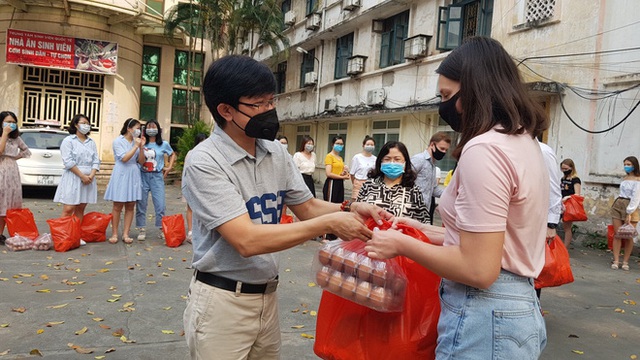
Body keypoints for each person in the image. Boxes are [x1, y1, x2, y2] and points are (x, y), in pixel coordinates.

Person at [181, 55, 388, 359]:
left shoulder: (275, 153)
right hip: (222, 302)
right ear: (226, 110)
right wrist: (328, 225)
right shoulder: (205, 161)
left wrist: (350, 208)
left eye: (271, 101)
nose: (269, 111)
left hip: (267, 298)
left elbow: (307, 206)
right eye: (258, 104)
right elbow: (246, 240)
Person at [365, 37, 549, 358]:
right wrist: (414, 227)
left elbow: (478, 268)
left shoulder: (485, 149)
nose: (444, 106)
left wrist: (402, 244)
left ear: (477, 90)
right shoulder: (524, 141)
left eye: (448, 96)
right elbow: (482, 240)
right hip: (515, 307)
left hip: (484, 313)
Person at [356, 141, 429, 223]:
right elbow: (356, 212)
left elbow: (424, 221)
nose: (392, 163)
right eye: (387, 159)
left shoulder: (413, 190)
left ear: (405, 162)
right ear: (380, 162)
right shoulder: (369, 185)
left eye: (397, 159)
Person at [53, 114, 100, 223]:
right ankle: (64, 236)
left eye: (88, 124)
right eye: (83, 123)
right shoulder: (68, 141)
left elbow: (96, 160)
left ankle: (76, 235)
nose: (86, 126)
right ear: (75, 124)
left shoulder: (91, 142)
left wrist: (91, 176)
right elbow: (68, 161)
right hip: (73, 177)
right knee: (69, 208)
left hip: (88, 179)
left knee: (80, 208)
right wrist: (82, 176)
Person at [135, 119, 177, 241]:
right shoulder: (141, 143)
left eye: (154, 127)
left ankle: (161, 228)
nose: (151, 129)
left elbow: (172, 154)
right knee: (141, 203)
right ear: (145, 129)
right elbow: (140, 161)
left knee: (160, 204)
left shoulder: (163, 144)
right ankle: (141, 228)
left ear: (158, 129)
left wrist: (169, 167)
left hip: (157, 176)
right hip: (143, 175)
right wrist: (142, 147)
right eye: (149, 127)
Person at [104, 118, 143, 244]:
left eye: (139, 128)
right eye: (136, 128)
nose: (138, 131)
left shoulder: (137, 142)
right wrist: (136, 146)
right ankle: (115, 233)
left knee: (131, 205)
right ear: (129, 128)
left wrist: (141, 147)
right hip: (121, 172)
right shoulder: (118, 141)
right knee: (117, 205)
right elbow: (125, 158)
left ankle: (126, 233)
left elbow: (141, 161)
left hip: (133, 172)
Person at [0, 111, 31, 244]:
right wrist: (5, 134)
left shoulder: (17, 139)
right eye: (8, 121)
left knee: (8, 204)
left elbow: (26, 151)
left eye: (13, 122)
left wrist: (14, 157)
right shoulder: (3, 136)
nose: (11, 124)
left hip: (12, 170)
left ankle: (1, 233)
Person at [410, 131, 451, 219]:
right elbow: (404, 180)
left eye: (446, 150)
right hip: (411, 211)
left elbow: (434, 190)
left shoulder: (432, 165)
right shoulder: (419, 159)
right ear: (432, 144)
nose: (444, 152)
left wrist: (452, 194)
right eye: (442, 148)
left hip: (424, 212)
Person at [610, 156, 640, 271]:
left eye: (628, 164)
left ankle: (625, 261)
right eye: (625, 164)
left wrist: (630, 212)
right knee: (617, 234)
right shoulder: (624, 178)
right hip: (619, 203)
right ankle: (616, 260)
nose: (626, 166)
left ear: (634, 165)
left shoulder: (638, 179)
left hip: (631, 206)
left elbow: (636, 197)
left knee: (628, 235)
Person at [323, 135, 350, 240]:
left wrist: (344, 173)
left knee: (339, 208)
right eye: (338, 144)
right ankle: (325, 235)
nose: (340, 146)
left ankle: (334, 233)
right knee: (329, 208)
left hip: (339, 183)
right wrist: (342, 177)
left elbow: (339, 172)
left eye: (341, 144)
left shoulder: (340, 158)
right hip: (332, 183)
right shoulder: (329, 156)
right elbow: (329, 173)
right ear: (332, 144)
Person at [185, 133, 208, 243]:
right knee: (190, 207)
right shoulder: (191, 154)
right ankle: (190, 231)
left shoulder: (209, 155)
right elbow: (186, 172)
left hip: (204, 187)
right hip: (190, 185)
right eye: (200, 141)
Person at [560, 158, 581, 248]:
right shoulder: (563, 179)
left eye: (566, 169)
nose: (564, 171)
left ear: (571, 168)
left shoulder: (575, 179)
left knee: (567, 227)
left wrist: (567, 197)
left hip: (569, 204)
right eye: (562, 169)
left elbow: (577, 194)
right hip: (561, 203)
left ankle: (565, 247)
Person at [349, 135, 376, 201]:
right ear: (363, 145)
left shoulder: (375, 159)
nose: (370, 146)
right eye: (368, 144)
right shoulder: (357, 157)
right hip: (358, 183)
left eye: (372, 145)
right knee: (356, 203)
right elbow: (352, 174)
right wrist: (355, 183)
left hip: (370, 184)